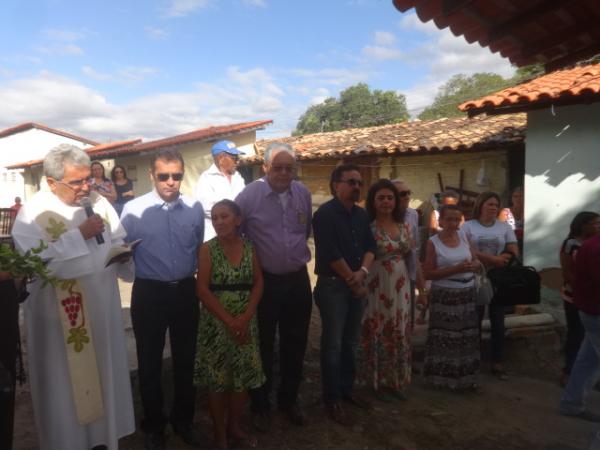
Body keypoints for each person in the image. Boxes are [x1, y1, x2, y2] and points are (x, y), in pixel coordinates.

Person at [11, 144, 135, 450]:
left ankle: (103, 439)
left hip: (102, 309)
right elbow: (36, 264)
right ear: (52, 182)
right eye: (76, 182)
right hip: (59, 319)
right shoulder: (31, 215)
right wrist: (79, 234)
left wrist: (123, 254)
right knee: (65, 388)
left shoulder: (98, 202)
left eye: (87, 180)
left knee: (102, 377)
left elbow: (116, 238)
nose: (85, 187)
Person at [121, 150, 204, 450]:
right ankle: (153, 424)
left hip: (184, 290)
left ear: (183, 174)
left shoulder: (195, 208)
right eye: (164, 176)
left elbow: (198, 247)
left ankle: (184, 420)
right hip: (149, 293)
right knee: (149, 362)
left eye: (177, 175)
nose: (171, 182)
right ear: (152, 176)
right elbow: (120, 253)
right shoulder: (132, 210)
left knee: (186, 360)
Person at [235, 142, 312, 431]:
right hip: (264, 283)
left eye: (288, 168)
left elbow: (305, 231)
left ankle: (288, 400)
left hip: (298, 280)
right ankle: (260, 403)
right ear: (265, 167)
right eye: (277, 167)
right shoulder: (249, 196)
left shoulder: (302, 193)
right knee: (263, 343)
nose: (283, 173)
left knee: (296, 342)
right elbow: (237, 232)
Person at [194, 199, 265, 450]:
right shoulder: (207, 249)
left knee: (241, 376)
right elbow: (201, 289)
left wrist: (244, 318)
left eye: (225, 216)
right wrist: (229, 320)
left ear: (238, 220)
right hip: (216, 322)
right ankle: (219, 432)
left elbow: (258, 282)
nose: (219, 221)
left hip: (246, 320)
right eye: (214, 218)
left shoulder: (249, 246)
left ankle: (234, 425)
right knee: (217, 379)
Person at [312, 163, 376, 426]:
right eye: (351, 182)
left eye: (359, 182)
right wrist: (353, 280)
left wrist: (362, 272)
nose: (357, 187)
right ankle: (332, 397)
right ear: (336, 185)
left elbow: (371, 247)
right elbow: (329, 253)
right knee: (333, 344)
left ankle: (347, 389)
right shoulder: (324, 215)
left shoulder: (361, 216)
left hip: (356, 284)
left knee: (351, 341)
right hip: (333, 288)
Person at [358, 179, 421, 401]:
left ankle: (395, 381)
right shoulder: (367, 227)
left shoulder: (406, 226)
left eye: (390, 197)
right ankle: (376, 381)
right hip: (377, 284)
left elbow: (413, 259)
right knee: (377, 328)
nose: (386, 201)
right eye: (381, 197)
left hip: (401, 285)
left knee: (399, 328)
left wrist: (420, 287)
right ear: (373, 201)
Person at [461, 192, 518, 379]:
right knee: (474, 319)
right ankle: (472, 359)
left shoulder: (504, 228)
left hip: (498, 278)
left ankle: (497, 362)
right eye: (489, 204)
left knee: (498, 319)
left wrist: (503, 259)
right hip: (475, 277)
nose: (493, 207)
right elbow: (466, 250)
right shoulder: (468, 226)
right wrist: (492, 258)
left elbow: (513, 250)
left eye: (496, 204)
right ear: (481, 205)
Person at [423, 204, 480, 390]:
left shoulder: (464, 236)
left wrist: (475, 265)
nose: (453, 223)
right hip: (445, 296)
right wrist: (456, 269)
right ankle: (442, 379)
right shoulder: (433, 242)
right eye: (449, 219)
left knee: (465, 337)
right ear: (440, 221)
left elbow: (476, 258)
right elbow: (428, 273)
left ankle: (464, 378)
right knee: (445, 337)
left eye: (457, 219)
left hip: (466, 294)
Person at [559, 231, 600, 422]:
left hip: (590, 310)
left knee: (587, 361)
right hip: (595, 311)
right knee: (588, 361)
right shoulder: (595, 247)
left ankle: (572, 403)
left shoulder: (591, 243)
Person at [196, 140, 246, 242]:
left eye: (238, 158)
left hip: (237, 235)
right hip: (215, 237)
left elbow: (245, 200)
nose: (237, 161)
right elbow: (207, 207)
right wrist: (234, 212)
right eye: (234, 158)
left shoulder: (237, 176)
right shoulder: (206, 178)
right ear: (221, 159)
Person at [392, 179, 427, 327]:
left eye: (408, 193)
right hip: (387, 277)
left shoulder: (413, 214)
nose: (407, 197)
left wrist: (422, 289)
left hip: (408, 275)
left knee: (407, 323)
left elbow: (414, 252)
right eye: (402, 194)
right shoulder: (380, 218)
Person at [499, 187, 524, 253]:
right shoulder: (505, 212)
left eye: (521, 196)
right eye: (515, 196)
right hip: (509, 243)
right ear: (511, 198)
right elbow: (501, 231)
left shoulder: (530, 211)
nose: (518, 199)